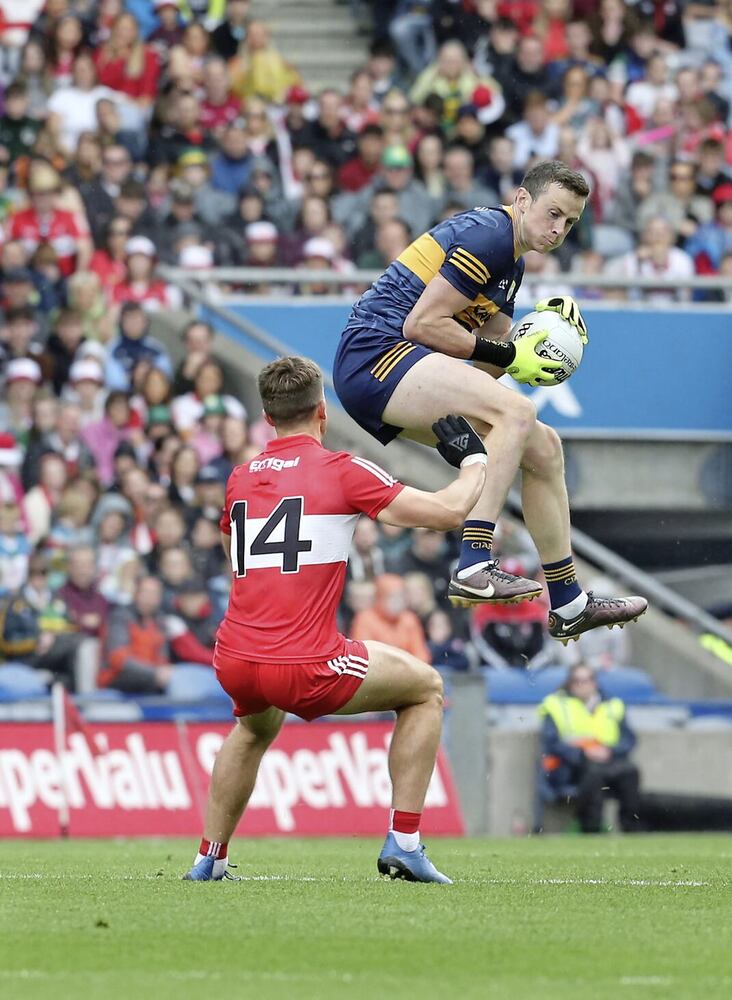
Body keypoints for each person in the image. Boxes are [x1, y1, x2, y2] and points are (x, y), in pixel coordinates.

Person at [184, 356, 488, 884]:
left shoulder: (239, 477)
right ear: (322, 411)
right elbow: (448, 513)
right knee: (426, 689)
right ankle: (406, 842)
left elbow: (243, 552)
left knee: (253, 729)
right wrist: (474, 462)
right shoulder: (342, 469)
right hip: (304, 661)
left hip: (235, 656)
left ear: (266, 417)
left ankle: (209, 858)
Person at [332, 159, 647, 641]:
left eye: (570, 222)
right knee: (516, 411)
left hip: (397, 362)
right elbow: (423, 325)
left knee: (544, 448)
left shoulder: (512, 261)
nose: (559, 229)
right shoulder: (490, 235)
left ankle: (568, 602)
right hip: (375, 355)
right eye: (553, 214)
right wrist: (510, 350)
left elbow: (491, 364)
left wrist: (536, 349)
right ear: (523, 200)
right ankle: (474, 563)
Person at [539, 663, 642, 833]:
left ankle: (631, 827)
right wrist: (584, 752)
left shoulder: (613, 705)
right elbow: (552, 743)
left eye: (587, 680)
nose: (583, 685)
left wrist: (609, 751)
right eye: (578, 680)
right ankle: (592, 828)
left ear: (595, 682)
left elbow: (628, 739)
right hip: (572, 765)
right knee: (593, 774)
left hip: (608, 760)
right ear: (570, 683)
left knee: (631, 772)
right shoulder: (556, 705)